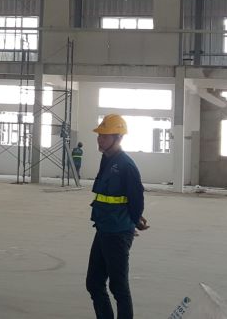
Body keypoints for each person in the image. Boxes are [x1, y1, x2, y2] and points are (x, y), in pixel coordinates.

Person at [87, 114, 147, 319]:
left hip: (118, 232)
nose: (100, 139)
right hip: (104, 228)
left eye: (104, 136)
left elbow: (136, 198)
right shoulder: (107, 159)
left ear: (118, 137)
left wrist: (133, 221)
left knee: (118, 287)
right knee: (94, 283)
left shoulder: (126, 165)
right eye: (99, 135)